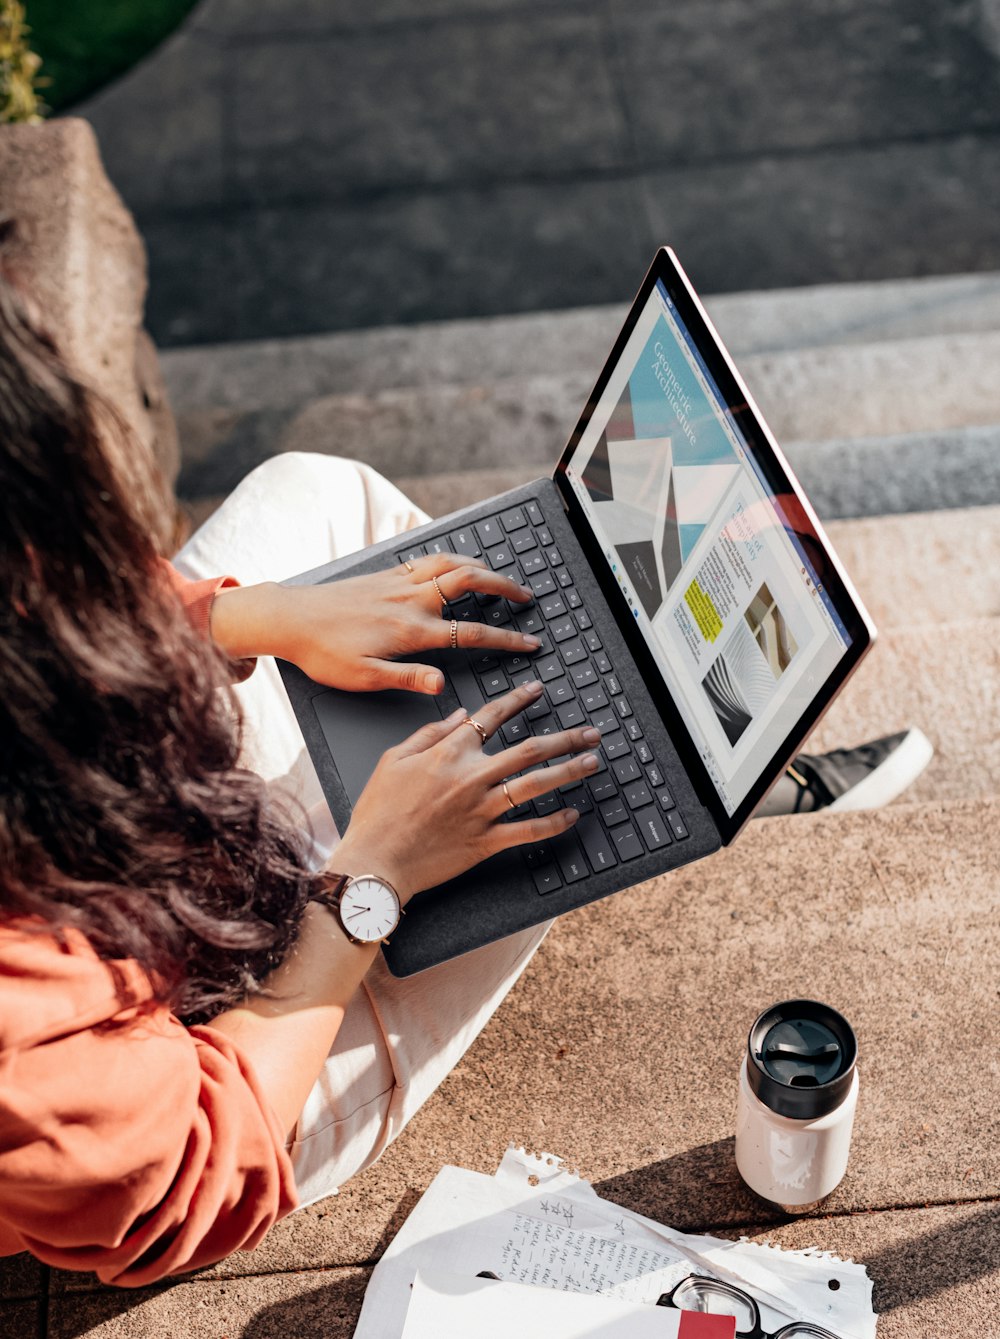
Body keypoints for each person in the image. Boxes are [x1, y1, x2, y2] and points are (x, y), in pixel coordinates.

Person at [0, 253, 930, 1288]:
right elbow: (187, 1174)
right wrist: (372, 882)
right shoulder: (18, 1023)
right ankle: (706, 770)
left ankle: (614, 739)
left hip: (94, 854)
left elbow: (50, 616)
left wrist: (253, 616)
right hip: (189, 1081)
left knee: (328, 496)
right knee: (552, 797)